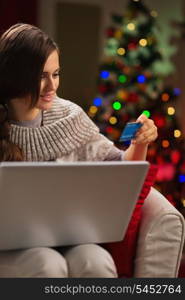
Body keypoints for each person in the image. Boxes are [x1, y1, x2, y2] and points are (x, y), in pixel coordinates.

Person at [0, 23, 158, 278]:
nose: (52, 86)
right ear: (14, 76)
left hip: (67, 237)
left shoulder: (69, 116)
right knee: (46, 264)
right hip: (8, 246)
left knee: (95, 259)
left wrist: (139, 143)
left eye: (56, 74)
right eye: (41, 76)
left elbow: (118, 166)